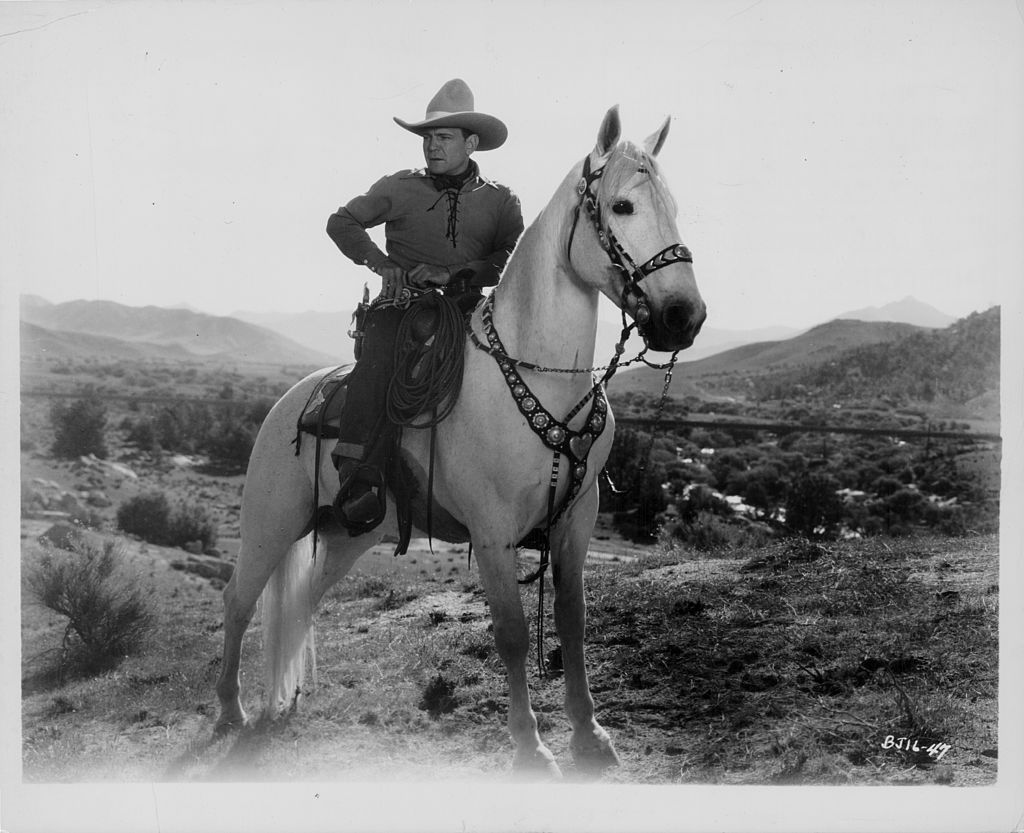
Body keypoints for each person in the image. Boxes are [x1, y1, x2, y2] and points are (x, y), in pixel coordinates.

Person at [326, 78, 524, 531]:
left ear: (471, 143)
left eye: (444, 138)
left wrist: (455, 274)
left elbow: (509, 259)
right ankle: (359, 478)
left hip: (471, 311)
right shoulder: (398, 186)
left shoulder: (500, 200)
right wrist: (381, 263)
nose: (432, 147)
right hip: (403, 309)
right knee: (377, 363)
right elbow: (342, 222)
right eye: (428, 138)